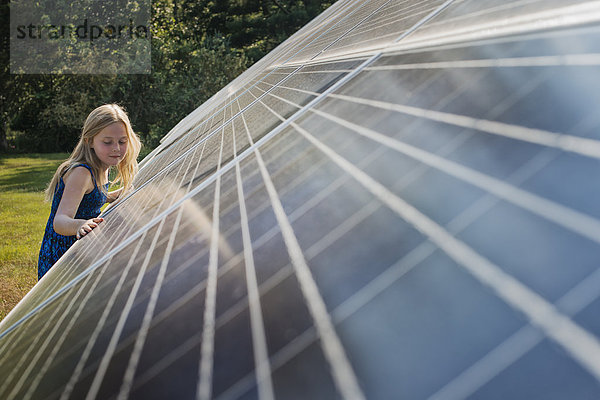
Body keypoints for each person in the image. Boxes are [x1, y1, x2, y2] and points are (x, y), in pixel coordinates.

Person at [37, 104, 141, 280]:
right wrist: (79, 225)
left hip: (83, 248)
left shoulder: (103, 166)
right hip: (63, 255)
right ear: (89, 141)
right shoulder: (82, 173)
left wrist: (114, 195)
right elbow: (60, 221)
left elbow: (90, 198)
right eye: (107, 142)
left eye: (122, 141)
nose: (116, 148)